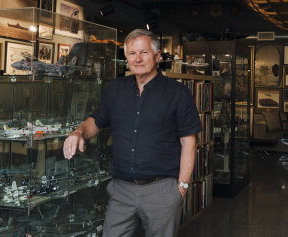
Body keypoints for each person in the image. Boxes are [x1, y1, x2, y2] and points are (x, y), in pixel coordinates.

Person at [63, 29, 201, 236]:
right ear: (126, 57)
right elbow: (97, 120)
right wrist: (78, 132)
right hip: (121, 190)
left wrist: (181, 188)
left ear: (157, 55)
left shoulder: (177, 92)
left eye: (144, 52)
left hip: (161, 189)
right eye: (132, 53)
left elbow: (188, 141)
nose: (137, 59)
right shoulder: (115, 89)